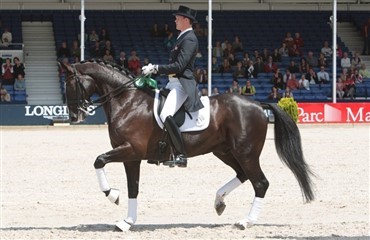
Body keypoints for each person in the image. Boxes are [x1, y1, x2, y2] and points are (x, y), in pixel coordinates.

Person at [141, 5, 203, 168]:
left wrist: (155, 68)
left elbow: (180, 66)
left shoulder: (189, 38)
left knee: (165, 114)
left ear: (186, 20)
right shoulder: (181, 37)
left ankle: (181, 154)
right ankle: (160, 150)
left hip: (181, 85)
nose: (175, 20)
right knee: (154, 111)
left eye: (177, 18)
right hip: (172, 83)